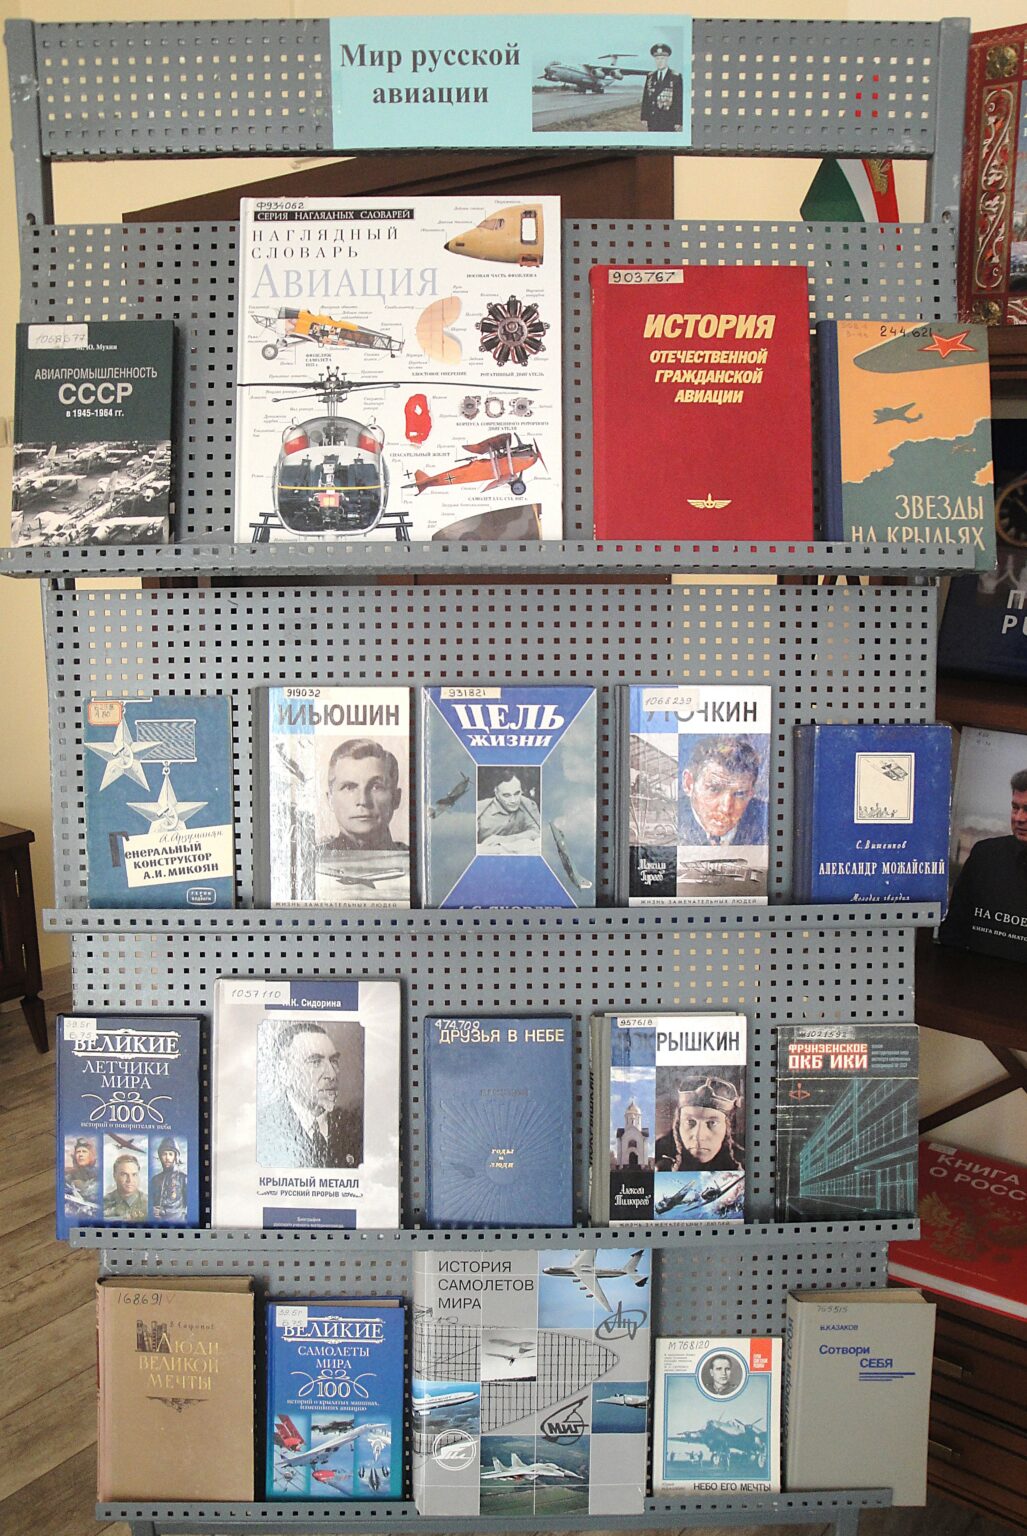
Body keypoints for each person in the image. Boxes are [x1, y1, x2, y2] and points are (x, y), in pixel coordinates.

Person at [939, 768, 1027, 957]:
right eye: (1015, 807)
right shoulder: (985, 854)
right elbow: (953, 931)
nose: (1019, 818)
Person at [258, 1020, 364, 1170]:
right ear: (284, 1071)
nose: (332, 1074)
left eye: (334, 1061)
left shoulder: (355, 1128)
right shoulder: (262, 1129)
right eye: (315, 1062)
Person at [679, 737, 768, 846]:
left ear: (751, 793)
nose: (726, 809)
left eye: (740, 794)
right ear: (688, 784)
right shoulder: (671, 817)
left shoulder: (768, 819)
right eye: (714, 789)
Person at [321, 739, 405, 851]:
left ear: (396, 798)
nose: (363, 801)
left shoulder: (413, 856)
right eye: (349, 787)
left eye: (376, 787)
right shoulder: (315, 858)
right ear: (330, 800)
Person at [655, 1072, 743, 1172]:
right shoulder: (657, 1154)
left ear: (727, 1127)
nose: (699, 1136)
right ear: (678, 1123)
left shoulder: (744, 1163)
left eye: (712, 1123)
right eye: (690, 1122)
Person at [476, 771, 541, 847]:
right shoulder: (479, 809)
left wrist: (503, 840)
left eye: (517, 793)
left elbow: (537, 832)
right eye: (506, 795)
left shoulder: (527, 804)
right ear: (496, 793)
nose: (513, 800)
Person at [640, 42, 683, 133]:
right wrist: (644, 117)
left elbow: (678, 100)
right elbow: (646, 98)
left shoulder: (675, 77)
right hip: (652, 119)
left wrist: (678, 121)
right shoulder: (650, 76)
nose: (659, 61)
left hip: (668, 120)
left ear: (667, 59)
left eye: (662, 58)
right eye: (657, 59)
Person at [149, 1136, 189, 1220]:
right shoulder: (155, 1180)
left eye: (170, 1154)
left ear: (176, 1157)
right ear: (160, 1157)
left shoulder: (184, 1179)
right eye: (164, 1154)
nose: (167, 1158)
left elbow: (189, 1207)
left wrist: (165, 1212)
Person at [104, 1152, 148, 1220]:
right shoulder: (103, 1203)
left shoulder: (150, 1204)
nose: (130, 1180)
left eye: (134, 1175)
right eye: (124, 1174)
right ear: (114, 1176)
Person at [65, 1137, 100, 1212]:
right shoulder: (69, 1175)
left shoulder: (99, 1173)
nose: (80, 1154)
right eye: (78, 1152)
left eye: (84, 1151)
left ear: (91, 1155)